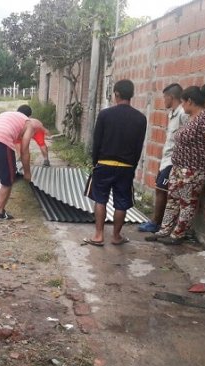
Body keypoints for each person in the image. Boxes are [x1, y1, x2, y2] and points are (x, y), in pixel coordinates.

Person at [147, 84, 205, 245]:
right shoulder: (190, 118)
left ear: (190, 101)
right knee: (172, 199)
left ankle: (178, 235)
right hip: (179, 168)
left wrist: (202, 160)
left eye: (183, 102)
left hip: (194, 170)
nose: (181, 105)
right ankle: (164, 230)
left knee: (187, 202)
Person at [84, 79, 147, 246]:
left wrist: (95, 162)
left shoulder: (105, 115)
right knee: (121, 202)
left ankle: (98, 235)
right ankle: (116, 236)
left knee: (101, 199)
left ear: (116, 94)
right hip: (126, 167)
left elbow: (96, 141)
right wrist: (132, 167)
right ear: (132, 95)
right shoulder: (140, 118)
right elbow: (138, 147)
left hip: (104, 163)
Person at [138, 83, 189, 232]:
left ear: (171, 97)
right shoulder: (172, 113)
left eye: (164, 98)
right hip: (166, 159)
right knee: (160, 189)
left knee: (162, 190)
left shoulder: (182, 114)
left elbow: (188, 137)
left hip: (174, 161)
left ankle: (156, 223)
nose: (163, 101)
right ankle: (160, 222)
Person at [0, 109, 35, 221]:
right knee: (8, 179)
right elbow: (24, 151)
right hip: (2, 139)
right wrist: (27, 173)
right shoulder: (29, 123)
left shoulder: (6, 115)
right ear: (28, 116)